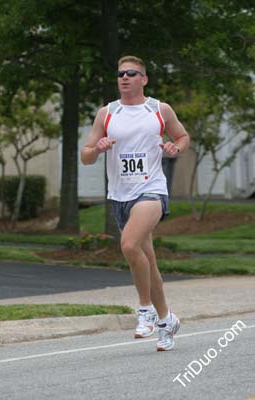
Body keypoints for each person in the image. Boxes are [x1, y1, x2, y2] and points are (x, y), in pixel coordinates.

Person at [81, 55, 190, 351]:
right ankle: (167, 321)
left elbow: (182, 136)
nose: (125, 77)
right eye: (120, 73)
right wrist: (98, 148)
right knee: (148, 260)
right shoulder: (107, 113)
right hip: (119, 195)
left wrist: (174, 147)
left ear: (143, 79)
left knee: (129, 245)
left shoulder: (159, 109)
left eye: (131, 73)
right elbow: (86, 155)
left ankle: (146, 310)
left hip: (151, 190)